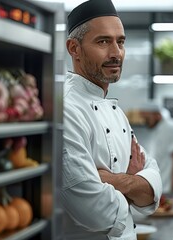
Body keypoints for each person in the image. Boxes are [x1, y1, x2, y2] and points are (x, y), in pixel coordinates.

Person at [61, 0, 162, 239]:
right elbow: (96, 213)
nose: (116, 53)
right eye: (103, 41)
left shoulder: (117, 113)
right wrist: (135, 181)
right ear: (74, 48)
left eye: (121, 41)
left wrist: (116, 181)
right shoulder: (67, 109)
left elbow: (154, 188)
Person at [137, 102, 173, 205]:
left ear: (157, 115)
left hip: (172, 195)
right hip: (165, 193)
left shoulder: (170, 128)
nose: (145, 122)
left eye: (147, 119)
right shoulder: (160, 130)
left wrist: (171, 191)